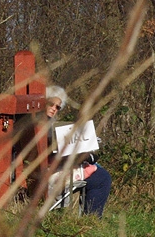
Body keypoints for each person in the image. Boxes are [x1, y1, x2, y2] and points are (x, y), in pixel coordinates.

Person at [46, 86, 112, 217]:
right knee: (102, 177)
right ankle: (92, 219)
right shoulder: (47, 127)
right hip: (52, 171)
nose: (54, 108)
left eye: (57, 107)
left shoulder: (37, 122)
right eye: (50, 104)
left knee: (93, 164)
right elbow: (60, 154)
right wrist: (86, 155)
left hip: (45, 167)